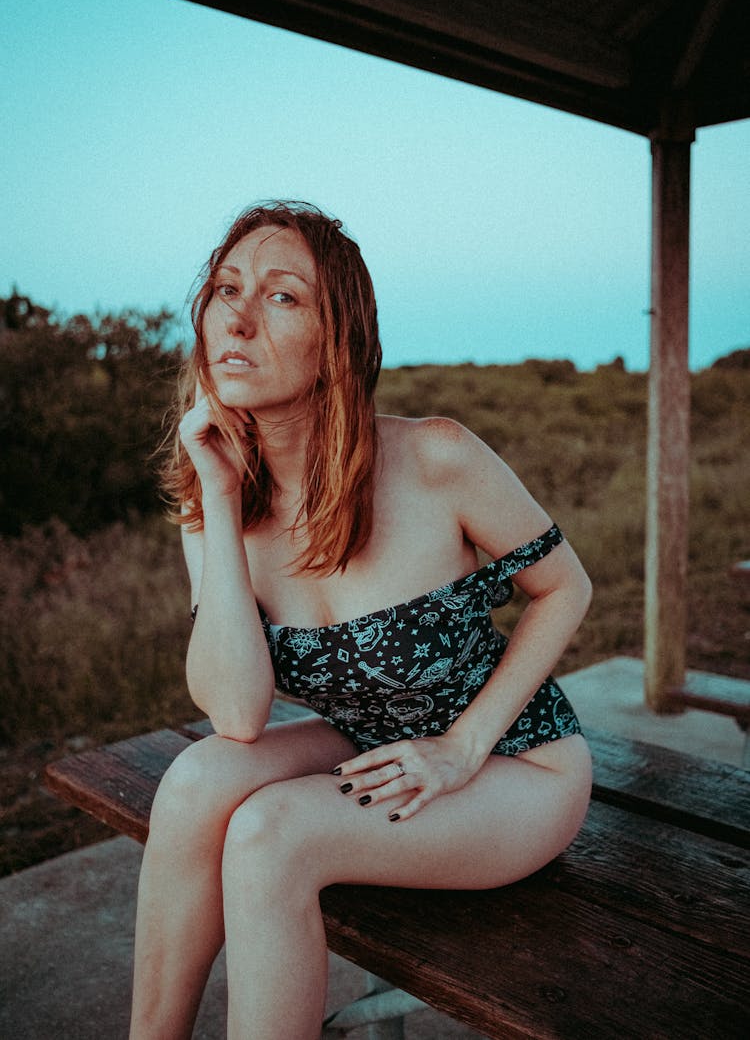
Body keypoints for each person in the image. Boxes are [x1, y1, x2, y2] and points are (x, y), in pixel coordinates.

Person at [129, 201, 592, 1040]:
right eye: (225, 288)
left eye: (281, 297)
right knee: (197, 780)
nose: (235, 317)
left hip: (519, 767)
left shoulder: (437, 457)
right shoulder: (214, 500)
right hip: (372, 745)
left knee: (273, 834)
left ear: (336, 337)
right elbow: (236, 715)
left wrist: (461, 748)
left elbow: (567, 588)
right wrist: (224, 497)